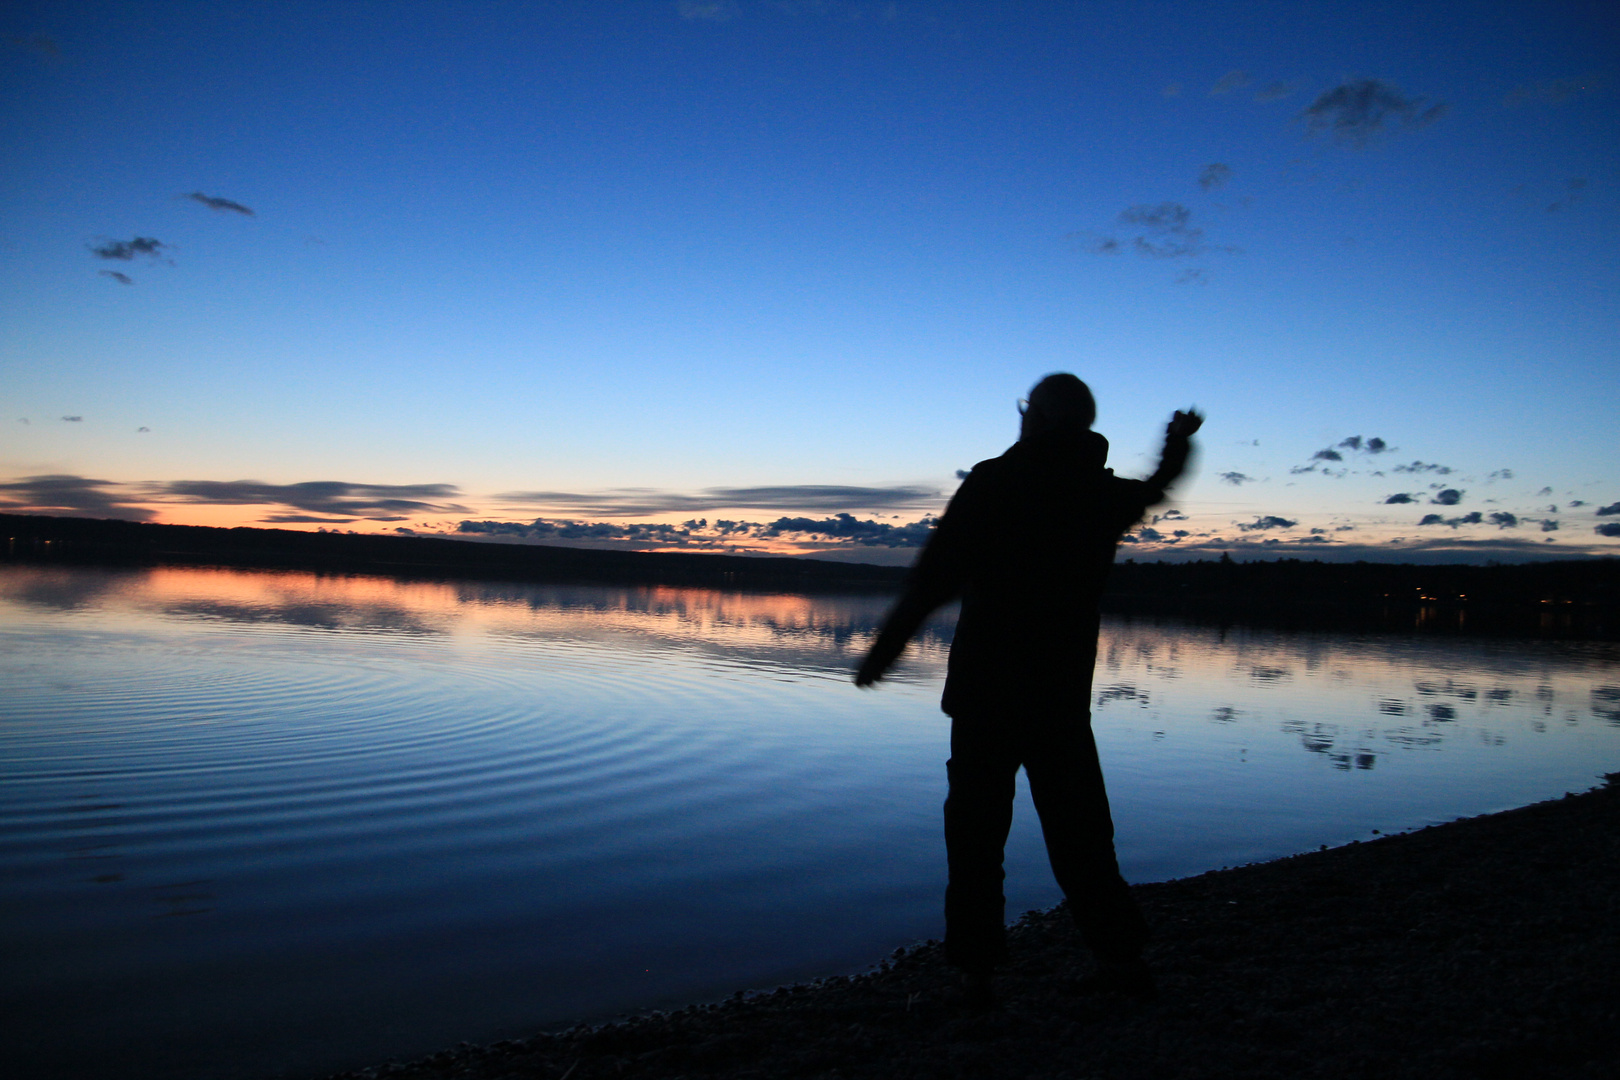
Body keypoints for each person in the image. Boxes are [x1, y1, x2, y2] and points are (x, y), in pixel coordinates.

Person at [854, 373, 1202, 1006]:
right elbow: (1158, 486)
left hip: (988, 691)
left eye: (1027, 412)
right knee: (1082, 834)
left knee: (976, 838)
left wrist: (886, 648)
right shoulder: (1100, 493)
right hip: (1059, 694)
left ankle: (974, 975)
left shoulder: (997, 480)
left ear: (1036, 418)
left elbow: (936, 575)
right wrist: (1177, 443)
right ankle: (1121, 963)